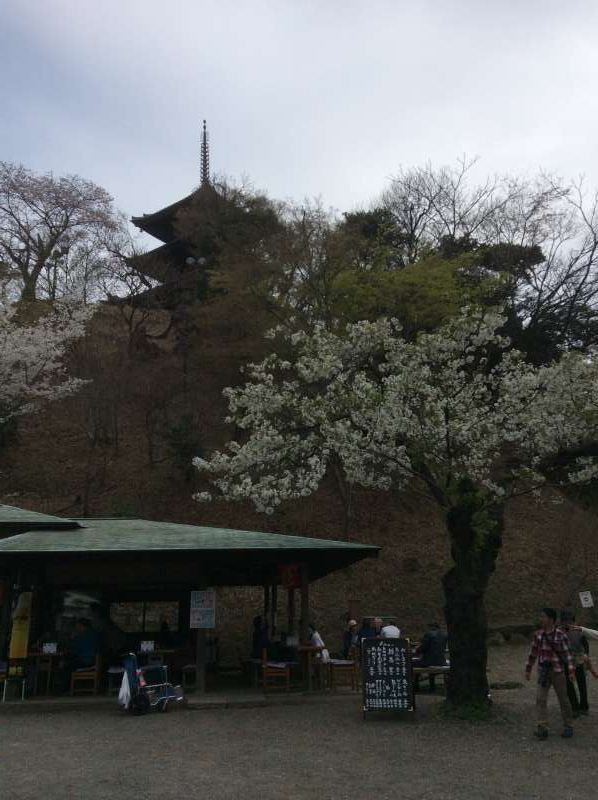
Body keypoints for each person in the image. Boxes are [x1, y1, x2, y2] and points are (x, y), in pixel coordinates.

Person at [525, 607, 575, 739]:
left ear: (551, 619)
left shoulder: (561, 635)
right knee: (540, 699)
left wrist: (571, 671)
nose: (541, 619)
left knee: (563, 699)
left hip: (558, 671)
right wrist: (528, 669)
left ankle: (568, 725)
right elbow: (533, 653)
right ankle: (542, 728)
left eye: (543, 616)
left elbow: (567, 655)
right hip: (544, 672)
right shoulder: (538, 635)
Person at [559, 610, 589, 717]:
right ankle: (574, 708)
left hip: (579, 660)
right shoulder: (558, 632)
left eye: (570, 621)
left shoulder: (579, 631)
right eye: (565, 621)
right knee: (569, 686)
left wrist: (586, 655)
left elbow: (585, 645)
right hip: (566, 661)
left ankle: (584, 706)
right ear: (561, 621)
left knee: (582, 684)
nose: (568, 623)